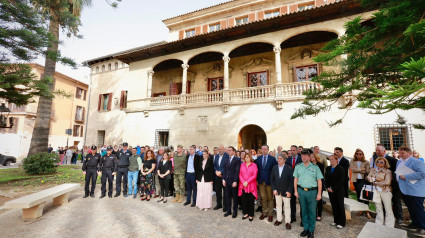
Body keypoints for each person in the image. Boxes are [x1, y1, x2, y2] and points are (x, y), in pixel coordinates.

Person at [294, 149, 323, 238]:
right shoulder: (298, 166)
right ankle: (306, 229)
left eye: (305, 156)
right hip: (301, 191)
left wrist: (319, 194)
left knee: (312, 211)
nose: (303, 157)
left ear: (309, 157)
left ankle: (311, 230)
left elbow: (319, 181)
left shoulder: (315, 167)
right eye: (302, 156)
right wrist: (295, 191)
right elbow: (295, 179)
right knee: (304, 210)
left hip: (312, 192)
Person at [397, 146, 425, 235]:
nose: (400, 154)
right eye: (399, 153)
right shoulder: (399, 161)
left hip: (415, 190)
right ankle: (415, 224)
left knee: (418, 209)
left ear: (409, 153)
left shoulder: (417, 161)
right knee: (412, 209)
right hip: (405, 190)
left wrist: (407, 177)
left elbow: (423, 173)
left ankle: (423, 227)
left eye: (402, 153)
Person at [373, 145, 403, 224]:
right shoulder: (376, 160)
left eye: (379, 150)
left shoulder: (392, 160)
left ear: (384, 151)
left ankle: (399, 218)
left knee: (396, 201)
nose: (377, 152)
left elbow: (398, 171)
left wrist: (387, 176)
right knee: (384, 202)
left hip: (393, 184)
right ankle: (385, 217)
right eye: (376, 150)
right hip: (382, 186)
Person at [367, 157, 394, 227]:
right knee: (378, 207)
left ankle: (389, 224)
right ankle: (379, 222)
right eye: (378, 161)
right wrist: (377, 179)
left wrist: (375, 181)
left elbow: (388, 182)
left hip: (385, 190)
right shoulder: (373, 170)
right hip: (376, 190)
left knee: (388, 208)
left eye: (382, 162)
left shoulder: (388, 171)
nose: (379, 163)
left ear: (385, 163)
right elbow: (368, 177)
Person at [270, 154, 293, 229]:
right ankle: (279, 219)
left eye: (280, 158)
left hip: (286, 191)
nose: (278, 160)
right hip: (277, 191)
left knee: (287, 207)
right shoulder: (274, 167)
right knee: (278, 205)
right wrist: (274, 189)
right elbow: (272, 179)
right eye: (278, 158)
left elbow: (291, 181)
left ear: (284, 160)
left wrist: (289, 191)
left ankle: (287, 222)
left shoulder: (289, 168)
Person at [255, 145, 277, 222]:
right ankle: (265, 212)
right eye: (262, 149)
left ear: (268, 150)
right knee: (263, 197)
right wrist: (257, 180)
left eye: (265, 149)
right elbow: (256, 170)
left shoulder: (273, 159)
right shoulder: (258, 159)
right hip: (261, 181)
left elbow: (275, 171)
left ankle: (270, 214)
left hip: (269, 182)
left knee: (270, 198)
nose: (264, 150)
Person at [349, 148, 371, 219]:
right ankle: (361, 210)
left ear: (362, 155)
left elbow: (367, 171)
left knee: (365, 196)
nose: (358, 155)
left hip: (363, 180)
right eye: (357, 154)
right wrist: (361, 169)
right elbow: (352, 169)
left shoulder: (366, 162)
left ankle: (367, 211)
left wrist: (357, 170)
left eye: (360, 154)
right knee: (359, 195)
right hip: (356, 180)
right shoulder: (352, 161)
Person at [325, 155, 346, 229]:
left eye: (333, 159)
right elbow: (326, 179)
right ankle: (336, 220)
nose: (331, 161)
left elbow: (341, 180)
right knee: (333, 206)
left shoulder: (340, 169)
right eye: (330, 159)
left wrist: (333, 188)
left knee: (340, 205)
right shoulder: (328, 168)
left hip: (338, 190)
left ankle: (342, 222)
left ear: (337, 160)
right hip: (330, 190)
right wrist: (327, 187)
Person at [239, 153, 258, 221]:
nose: (246, 158)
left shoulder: (254, 165)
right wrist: (243, 182)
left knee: (250, 200)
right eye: (245, 157)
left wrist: (247, 182)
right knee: (244, 200)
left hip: (251, 185)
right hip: (243, 185)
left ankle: (251, 214)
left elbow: (254, 175)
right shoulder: (242, 165)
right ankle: (245, 213)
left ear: (250, 158)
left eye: (248, 157)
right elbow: (240, 174)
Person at [223, 146, 241, 218]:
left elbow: (237, 171)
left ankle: (235, 211)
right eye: (228, 150)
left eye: (230, 150)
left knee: (235, 197)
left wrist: (235, 181)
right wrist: (223, 179)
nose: (229, 151)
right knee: (227, 197)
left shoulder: (237, 159)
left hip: (233, 182)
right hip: (227, 181)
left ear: (234, 151)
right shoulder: (226, 159)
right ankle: (228, 210)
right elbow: (224, 170)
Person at [286, 145, 302, 223]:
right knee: (292, 201)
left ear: (297, 151)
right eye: (291, 150)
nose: (292, 151)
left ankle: (303, 219)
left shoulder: (301, 159)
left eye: (293, 150)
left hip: (300, 183)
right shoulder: (288, 159)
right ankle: (293, 217)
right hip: (291, 183)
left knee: (301, 202)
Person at [310, 152, 325, 221]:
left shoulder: (320, 165)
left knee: (319, 200)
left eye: (312, 156)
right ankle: (314, 214)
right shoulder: (309, 165)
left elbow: (321, 176)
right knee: (313, 200)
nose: (311, 158)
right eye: (310, 156)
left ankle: (319, 215)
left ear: (315, 157)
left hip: (319, 184)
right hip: (311, 185)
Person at [214, 145, 229, 211]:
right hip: (217, 177)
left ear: (223, 149)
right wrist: (216, 171)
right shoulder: (217, 156)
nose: (219, 150)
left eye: (221, 149)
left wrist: (221, 172)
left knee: (225, 192)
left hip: (224, 177)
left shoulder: (227, 156)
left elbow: (227, 166)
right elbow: (214, 165)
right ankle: (219, 204)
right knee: (218, 191)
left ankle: (225, 206)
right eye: (219, 149)